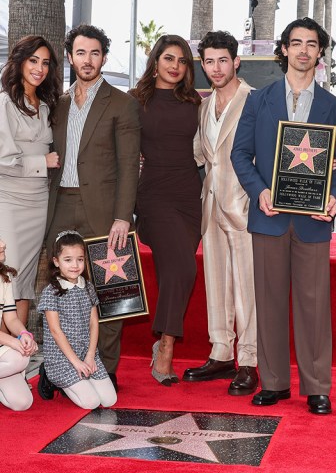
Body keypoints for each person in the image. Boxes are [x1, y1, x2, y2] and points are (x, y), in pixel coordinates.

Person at [231, 17, 336, 414]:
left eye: (310, 44)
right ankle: (275, 383)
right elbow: (239, 155)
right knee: (270, 301)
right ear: (283, 50)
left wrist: (332, 195)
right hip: (269, 216)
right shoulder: (258, 100)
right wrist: (260, 191)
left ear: (319, 52)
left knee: (315, 305)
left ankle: (317, 386)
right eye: (295, 43)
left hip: (313, 222)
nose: (302, 50)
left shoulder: (334, 106)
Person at [45, 24, 141, 391]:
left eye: (95, 53)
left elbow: (129, 165)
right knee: (58, 290)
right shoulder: (58, 104)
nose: (88, 60)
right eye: (81, 53)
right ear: (70, 57)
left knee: (111, 290)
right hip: (59, 206)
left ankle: (105, 367)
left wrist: (122, 216)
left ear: (104, 57)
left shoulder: (123, 104)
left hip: (105, 211)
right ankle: (58, 368)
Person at [182, 31, 258, 396]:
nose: (215, 68)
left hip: (244, 207)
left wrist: (254, 196)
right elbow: (201, 154)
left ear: (236, 61)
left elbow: (265, 154)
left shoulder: (254, 102)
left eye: (222, 60)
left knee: (247, 288)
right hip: (210, 204)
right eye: (209, 61)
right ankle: (222, 351)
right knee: (217, 282)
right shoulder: (203, 104)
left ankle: (250, 359)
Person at [130, 35, 202, 386]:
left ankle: (163, 339)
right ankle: (167, 347)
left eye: (182, 61)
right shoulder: (134, 101)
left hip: (190, 196)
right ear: (155, 60)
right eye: (169, 58)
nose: (175, 66)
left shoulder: (194, 102)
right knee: (184, 268)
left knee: (176, 269)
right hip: (154, 197)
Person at [0, 35, 60, 326]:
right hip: (10, 201)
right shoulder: (5, 104)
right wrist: (42, 162)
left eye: (45, 62)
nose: (40, 68)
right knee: (7, 278)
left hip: (39, 202)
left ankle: (17, 363)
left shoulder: (46, 105)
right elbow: (2, 161)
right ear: (20, 61)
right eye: (33, 60)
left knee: (23, 281)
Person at [37, 230, 117, 409]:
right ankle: (49, 376)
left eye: (80, 259)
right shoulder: (51, 291)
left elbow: (94, 323)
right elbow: (55, 331)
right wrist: (76, 362)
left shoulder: (87, 287)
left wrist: (90, 356)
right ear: (56, 261)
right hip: (63, 358)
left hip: (86, 354)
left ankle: (79, 382)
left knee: (109, 400)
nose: (75, 265)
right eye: (68, 260)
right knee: (91, 402)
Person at [0, 238, 38, 411]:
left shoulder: (4, 277)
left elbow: (11, 318)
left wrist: (24, 335)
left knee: (23, 403)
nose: (3, 244)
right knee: (18, 357)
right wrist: (12, 341)